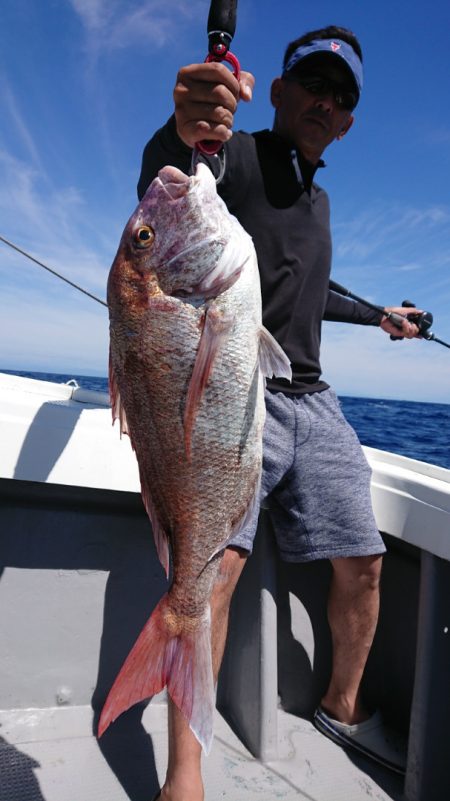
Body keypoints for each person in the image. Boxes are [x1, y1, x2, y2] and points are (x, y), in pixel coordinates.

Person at [137, 25, 419, 801]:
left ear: (349, 121)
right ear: (284, 91)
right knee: (211, 571)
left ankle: (341, 704)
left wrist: (380, 315)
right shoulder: (243, 158)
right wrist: (187, 122)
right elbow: (173, 178)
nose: (326, 103)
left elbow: (311, 289)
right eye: (314, 86)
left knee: (364, 560)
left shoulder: (318, 198)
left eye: (343, 96)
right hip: (239, 390)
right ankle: (184, 774)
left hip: (314, 398)